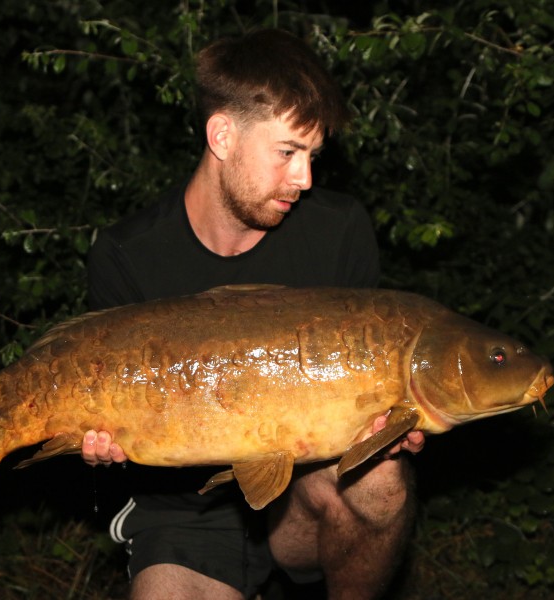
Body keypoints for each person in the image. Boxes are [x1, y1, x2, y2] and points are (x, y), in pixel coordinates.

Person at [80, 28, 424, 600]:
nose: (305, 179)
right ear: (222, 135)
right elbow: (111, 409)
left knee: (383, 481)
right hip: (185, 503)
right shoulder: (126, 254)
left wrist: (384, 426)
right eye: (287, 153)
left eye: (313, 157)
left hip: (303, 488)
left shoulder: (339, 230)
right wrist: (101, 441)